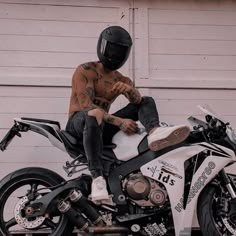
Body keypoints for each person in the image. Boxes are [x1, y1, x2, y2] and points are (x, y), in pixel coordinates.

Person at [66, 26, 190, 202]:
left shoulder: (121, 79)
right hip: (78, 125)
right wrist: (120, 122)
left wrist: (130, 91)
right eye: (113, 49)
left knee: (146, 100)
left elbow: (137, 101)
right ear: (103, 47)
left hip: (100, 128)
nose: (115, 55)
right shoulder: (86, 70)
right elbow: (86, 106)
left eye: (120, 51)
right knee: (92, 114)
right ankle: (97, 178)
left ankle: (155, 133)